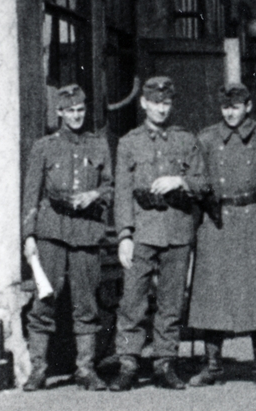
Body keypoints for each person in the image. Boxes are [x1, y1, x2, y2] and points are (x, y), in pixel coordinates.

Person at [111, 76, 210, 391]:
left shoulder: (186, 140)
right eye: (155, 103)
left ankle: (165, 362)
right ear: (143, 103)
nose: (161, 109)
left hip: (177, 230)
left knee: (171, 302)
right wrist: (124, 235)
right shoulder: (129, 143)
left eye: (166, 103)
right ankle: (128, 362)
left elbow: (204, 183)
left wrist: (180, 182)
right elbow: (123, 192)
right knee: (132, 301)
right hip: (142, 231)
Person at [186, 83, 256, 388]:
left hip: (255, 218)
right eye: (226, 108)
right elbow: (197, 178)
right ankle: (213, 364)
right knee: (213, 293)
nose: (231, 113)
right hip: (218, 220)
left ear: (248, 107)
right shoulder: (206, 139)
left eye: (237, 107)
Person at [20, 84, 113, 391]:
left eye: (81, 110)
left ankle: (85, 369)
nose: (76, 116)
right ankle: (38, 369)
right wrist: (29, 235)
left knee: (86, 302)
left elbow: (111, 188)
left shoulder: (98, 146)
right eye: (70, 110)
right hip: (52, 232)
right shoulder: (43, 147)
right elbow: (31, 193)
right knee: (45, 298)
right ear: (59, 112)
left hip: (86, 232)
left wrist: (94, 195)